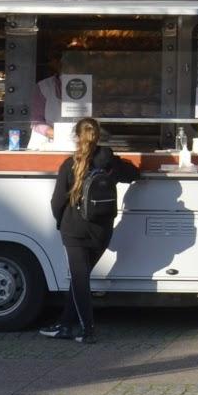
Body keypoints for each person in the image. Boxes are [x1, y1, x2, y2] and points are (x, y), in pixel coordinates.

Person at [39, 117, 139, 343]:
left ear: (76, 137)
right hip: (101, 230)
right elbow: (133, 174)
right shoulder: (109, 161)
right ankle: (64, 325)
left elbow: (57, 201)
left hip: (74, 230)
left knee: (80, 280)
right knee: (79, 279)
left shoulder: (69, 164)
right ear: (98, 136)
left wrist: (61, 222)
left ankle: (86, 329)